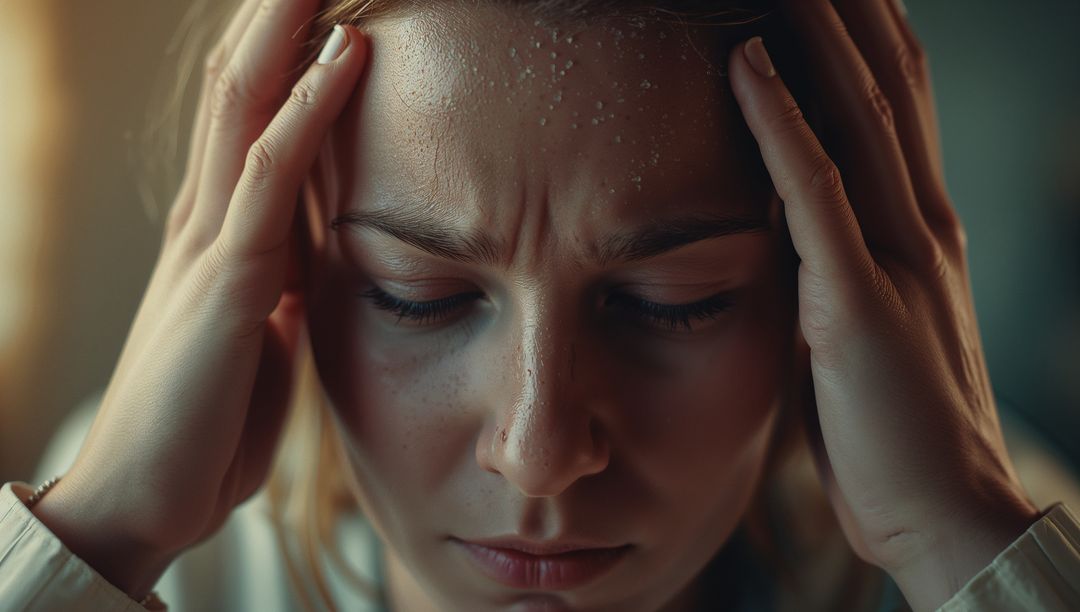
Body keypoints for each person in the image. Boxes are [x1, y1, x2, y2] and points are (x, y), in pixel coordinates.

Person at [1, 0, 1078, 610]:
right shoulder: (162, 564)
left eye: (672, 304)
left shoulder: (980, 550)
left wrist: (957, 544)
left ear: (823, 286)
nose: (539, 450)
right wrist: (103, 534)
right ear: (280, 254)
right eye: (414, 297)